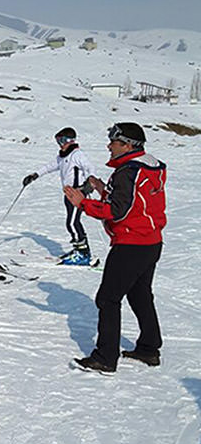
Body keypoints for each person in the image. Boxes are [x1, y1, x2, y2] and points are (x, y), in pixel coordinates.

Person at [64, 123, 166, 374]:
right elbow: (132, 200)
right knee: (139, 294)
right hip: (150, 242)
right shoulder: (149, 165)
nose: (109, 146)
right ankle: (149, 348)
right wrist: (103, 189)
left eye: (114, 142)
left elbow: (117, 211)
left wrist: (84, 203)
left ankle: (106, 357)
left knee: (108, 298)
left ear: (128, 145)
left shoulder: (128, 172)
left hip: (131, 244)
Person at [22, 127, 96, 265]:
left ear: (70, 140)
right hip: (68, 195)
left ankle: (84, 254)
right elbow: (49, 166)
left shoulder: (77, 155)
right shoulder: (63, 157)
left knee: (73, 223)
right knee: (71, 222)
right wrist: (34, 175)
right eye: (58, 141)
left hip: (77, 194)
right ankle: (78, 249)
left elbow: (90, 168)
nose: (60, 144)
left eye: (62, 141)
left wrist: (88, 184)